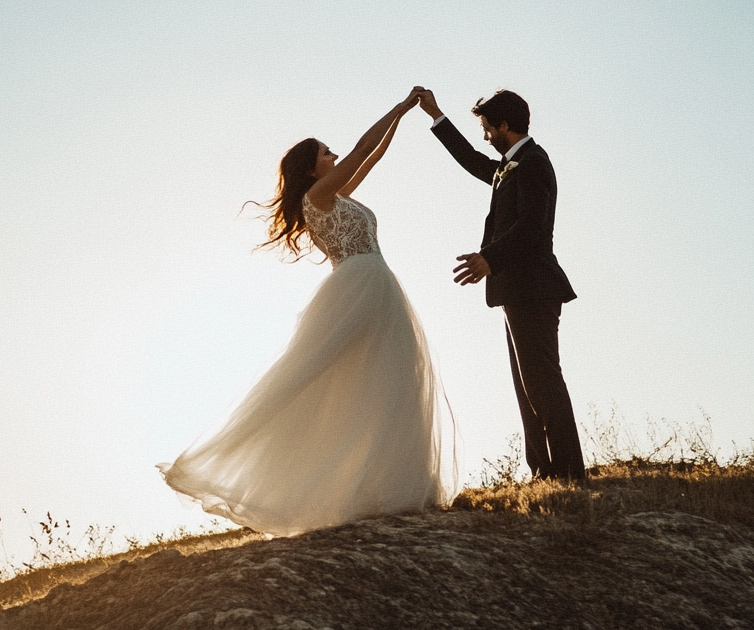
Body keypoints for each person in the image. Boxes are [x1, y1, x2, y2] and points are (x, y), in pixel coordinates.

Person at [158, 89, 453, 536]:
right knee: (350, 377)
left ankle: (390, 485)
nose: (334, 154)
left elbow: (369, 158)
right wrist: (399, 106)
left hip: (376, 283)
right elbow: (360, 150)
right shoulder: (318, 196)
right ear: (312, 167)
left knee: (388, 376)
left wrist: (403, 121)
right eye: (325, 152)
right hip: (359, 285)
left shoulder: (335, 194)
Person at [417, 87, 586, 482]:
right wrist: (436, 116)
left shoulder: (533, 163)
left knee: (543, 383)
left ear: (505, 126)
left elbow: (532, 227)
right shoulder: (509, 165)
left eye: (488, 128)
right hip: (516, 291)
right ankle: (544, 472)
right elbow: (473, 160)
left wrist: (489, 259)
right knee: (527, 388)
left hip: (535, 289)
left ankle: (569, 473)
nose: (485, 136)